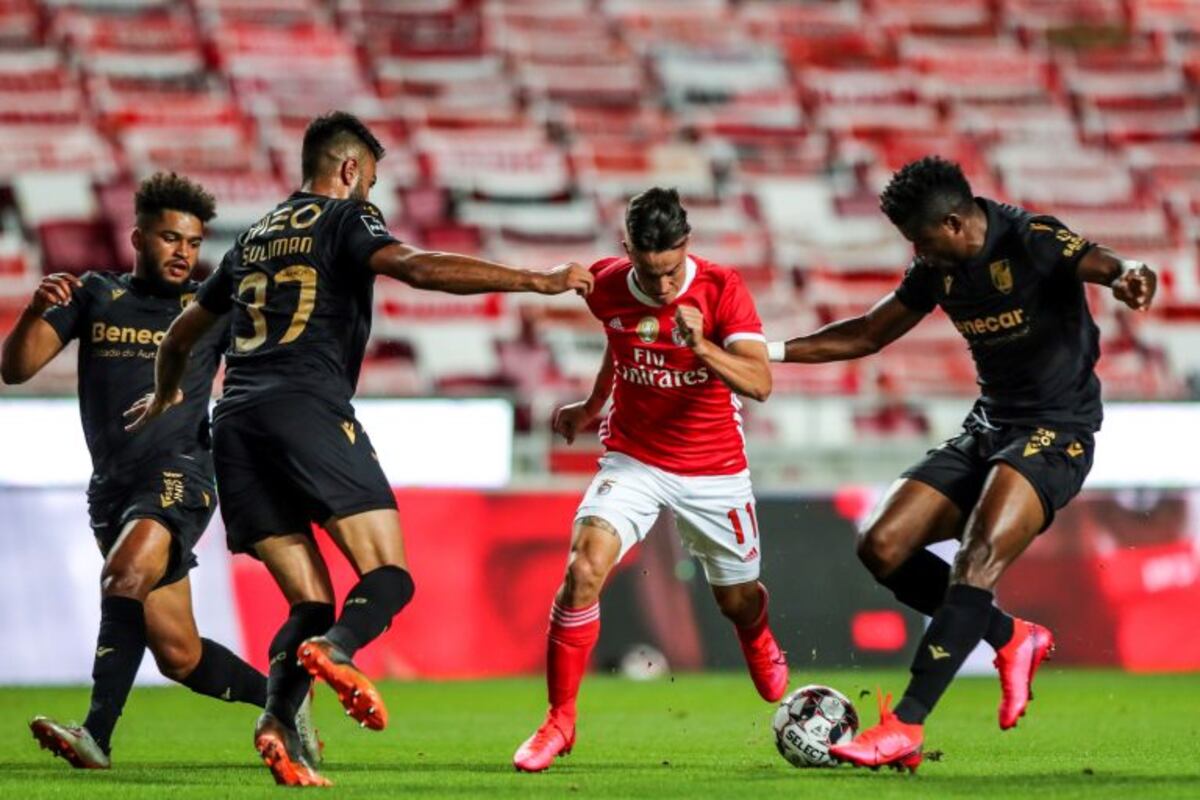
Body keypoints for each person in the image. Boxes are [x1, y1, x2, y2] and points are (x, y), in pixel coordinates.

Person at [125, 111, 594, 787]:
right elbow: (417, 268)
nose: (371, 193)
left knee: (310, 599)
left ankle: (276, 723)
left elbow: (183, 334)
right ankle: (336, 649)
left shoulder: (252, 239)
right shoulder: (345, 219)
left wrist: (170, 396)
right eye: (370, 179)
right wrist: (534, 281)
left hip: (234, 424)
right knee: (389, 575)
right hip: (305, 408)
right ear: (349, 170)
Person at [767, 156, 1157, 772]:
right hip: (988, 428)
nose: (916, 253)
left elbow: (1106, 263)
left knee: (976, 557)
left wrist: (1133, 275)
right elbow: (870, 333)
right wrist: (767, 352)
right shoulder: (935, 268)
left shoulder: (1028, 238)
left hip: (1056, 433)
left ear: (953, 224)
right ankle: (1009, 636)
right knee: (881, 543)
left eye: (921, 240)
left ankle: (905, 725)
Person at [0, 173, 288, 769]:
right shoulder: (95, 295)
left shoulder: (212, 308)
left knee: (123, 575)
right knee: (179, 656)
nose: (183, 252)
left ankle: (96, 736)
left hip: (181, 473)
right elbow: (16, 369)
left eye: (192, 241)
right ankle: (283, 700)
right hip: (112, 490)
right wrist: (33, 313)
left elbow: (274, 366)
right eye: (169, 238)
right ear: (137, 238)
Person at [512, 187, 788, 773]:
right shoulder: (608, 285)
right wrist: (592, 408)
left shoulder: (722, 288)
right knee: (583, 568)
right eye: (648, 270)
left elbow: (760, 383)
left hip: (713, 466)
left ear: (686, 246)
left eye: (669, 271)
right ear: (627, 251)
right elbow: (622, 343)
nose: (662, 286)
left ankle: (757, 634)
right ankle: (559, 721)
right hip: (634, 458)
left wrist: (701, 344)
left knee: (736, 600)